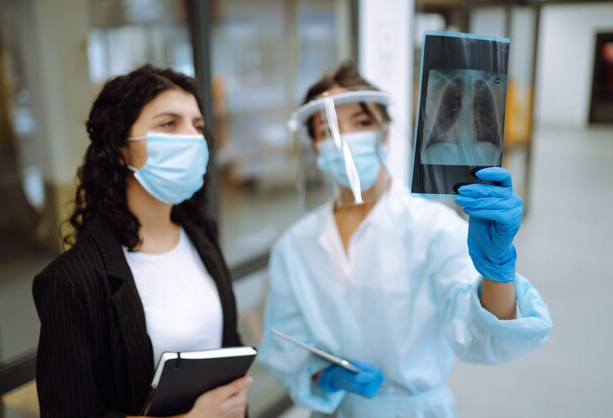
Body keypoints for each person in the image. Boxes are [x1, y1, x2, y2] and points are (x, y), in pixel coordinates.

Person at [258, 60, 552, 418]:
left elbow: (484, 335)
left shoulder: (432, 227)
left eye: (361, 123)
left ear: (383, 133)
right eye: (328, 128)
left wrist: (497, 270)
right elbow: (287, 346)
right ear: (315, 145)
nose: (345, 138)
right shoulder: (295, 245)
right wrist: (326, 375)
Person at [32, 65, 252, 418]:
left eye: (197, 126)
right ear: (121, 149)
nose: (191, 139)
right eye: (168, 124)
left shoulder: (202, 236)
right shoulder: (72, 281)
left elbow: (225, 344)